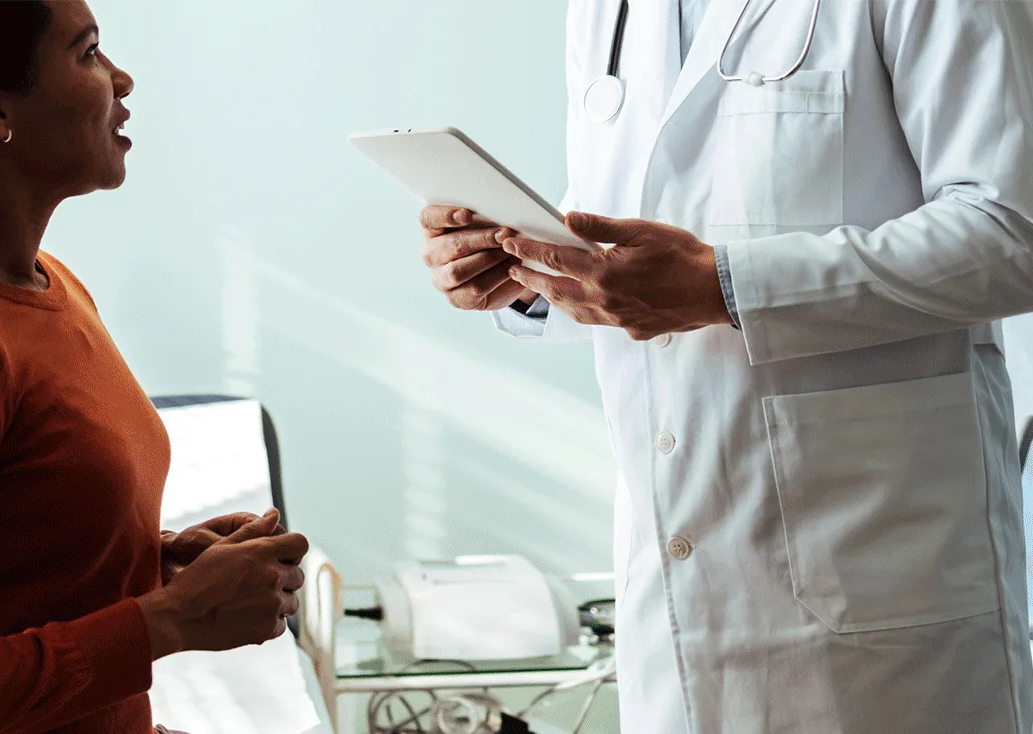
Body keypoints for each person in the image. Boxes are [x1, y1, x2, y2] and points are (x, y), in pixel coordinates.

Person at [419, 1, 1033, 732]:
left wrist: (724, 286)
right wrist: (525, 270)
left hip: (878, 583)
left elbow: (1011, 232)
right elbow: (636, 212)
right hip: (673, 586)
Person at [0, 2, 307, 732]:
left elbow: (11, 565)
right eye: (88, 52)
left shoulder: (46, 284)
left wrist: (152, 562)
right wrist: (170, 620)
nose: (122, 79)